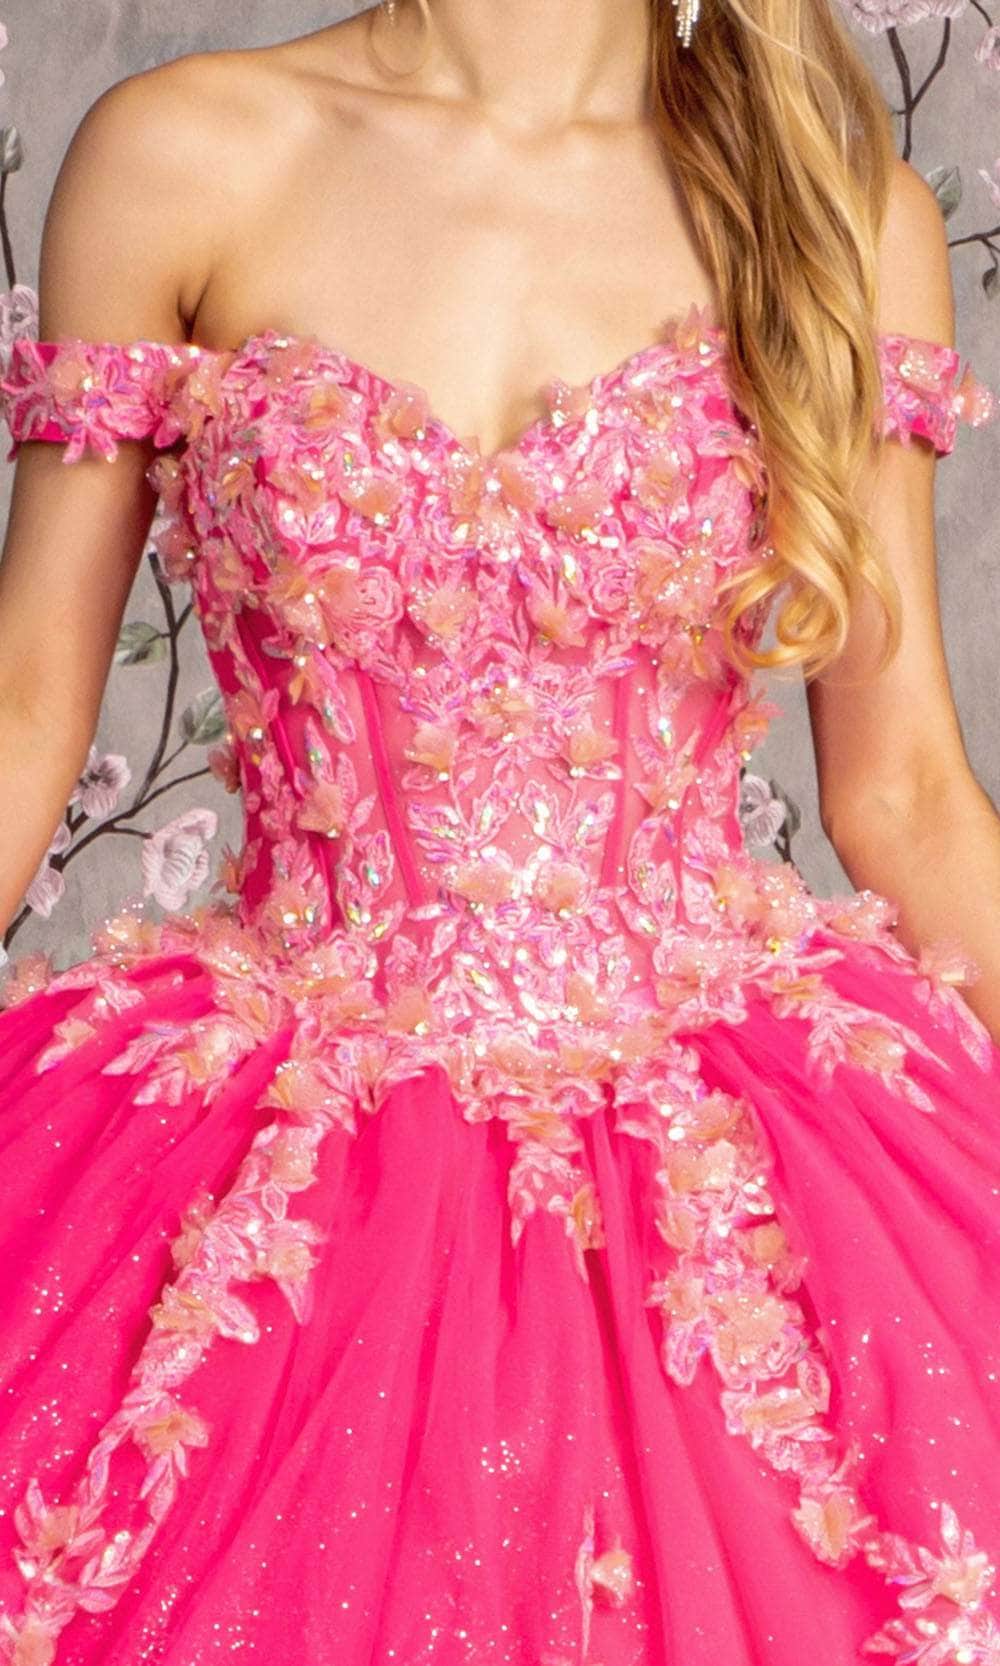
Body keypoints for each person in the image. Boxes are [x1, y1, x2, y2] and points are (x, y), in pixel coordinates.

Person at [0, 1, 999, 1661]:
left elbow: (900, 792)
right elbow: (28, 712)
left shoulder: (836, 205)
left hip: (718, 1178)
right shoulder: (181, 158)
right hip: (287, 1173)